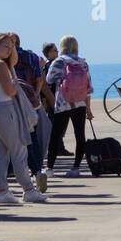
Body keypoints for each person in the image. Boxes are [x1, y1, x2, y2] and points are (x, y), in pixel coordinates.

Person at [0, 33, 47, 205]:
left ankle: (2, 191)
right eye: (6, 47)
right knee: (19, 152)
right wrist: (16, 86)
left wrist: (11, 44)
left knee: (0, 153)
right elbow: (10, 91)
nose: (10, 51)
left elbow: (14, 61)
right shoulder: (0, 64)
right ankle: (29, 190)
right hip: (4, 109)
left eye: (11, 48)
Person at [9, 33, 51, 193]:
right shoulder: (31, 56)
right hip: (31, 102)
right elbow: (40, 79)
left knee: (13, 143)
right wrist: (34, 95)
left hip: (12, 103)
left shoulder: (5, 60)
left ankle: (18, 177)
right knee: (33, 137)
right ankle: (37, 170)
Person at [46, 35, 93, 176]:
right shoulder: (83, 62)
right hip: (80, 103)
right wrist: (88, 109)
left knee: (56, 135)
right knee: (80, 135)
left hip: (63, 103)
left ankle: (49, 169)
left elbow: (49, 79)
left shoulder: (59, 61)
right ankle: (76, 168)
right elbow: (88, 88)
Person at [41, 42, 71, 157]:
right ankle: (58, 148)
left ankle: (60, 147)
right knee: (57, 124)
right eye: (55, 50)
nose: (57, 52)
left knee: (59, 124)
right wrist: (49, 100)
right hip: (53, 99)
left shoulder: (53, 64)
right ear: (48, 53)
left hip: (58, 98)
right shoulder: (50, 66)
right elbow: (45, 85)